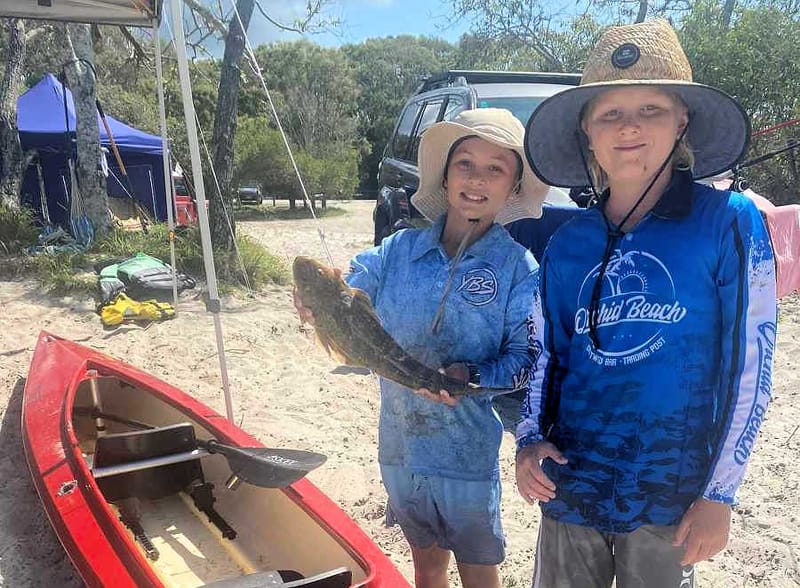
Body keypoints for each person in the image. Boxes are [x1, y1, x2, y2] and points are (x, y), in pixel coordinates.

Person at [515, 19, 777, 588]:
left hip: (671, 493)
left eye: (651, 109)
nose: (629, 126)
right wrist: (530, 441)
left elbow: (751, 364)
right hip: (569, 484)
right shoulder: (568, 242)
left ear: (682, 120)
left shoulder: (729, 221)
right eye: (610, 113)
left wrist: (719, 493)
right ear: (587, 130)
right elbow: (545, 357)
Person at [295, 108, 546, 588]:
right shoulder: (398, 250)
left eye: (495, 168)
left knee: (478, 570)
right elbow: (352, 284)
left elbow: (524, 359)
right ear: (445, 176)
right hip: (401, 448)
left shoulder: (519, 268)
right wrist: (315, 299)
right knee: (427, 567)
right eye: (465, 163)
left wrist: (471, 376)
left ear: (514, 187)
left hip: (466, 456)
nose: (477, 178)